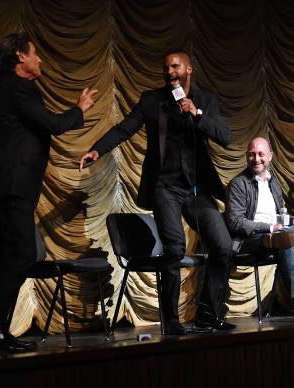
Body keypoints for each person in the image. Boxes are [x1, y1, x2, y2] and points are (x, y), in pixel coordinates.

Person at [79, 49, 234, 335]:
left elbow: (224, 136)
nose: (169, 72)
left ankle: (208, 315)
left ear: (189, 70)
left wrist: (196, 113)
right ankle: (171, 320)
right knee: (174, 248)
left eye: (175, 67)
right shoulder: (152, 100)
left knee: (223, 248)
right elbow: (125, 128)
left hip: (197, 189)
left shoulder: (206, 100)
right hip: (166, 188)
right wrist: (97, 150)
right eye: (166, 68)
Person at [0, 33, 97, 352]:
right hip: (12, 187)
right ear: (18, 56)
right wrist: (80, 109)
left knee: (5, 259)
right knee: (22, 255)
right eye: (34, 54)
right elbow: (53, 124)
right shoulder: (18, 88)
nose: (39, 59)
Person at [225, 137, 294, 322]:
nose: (256, 158)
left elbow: (279, 215)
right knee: (286, 245)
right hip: (251, 239)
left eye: (261, 154)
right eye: (252, 154)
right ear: (247, 156)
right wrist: (270, 227)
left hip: (278, 233)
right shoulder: (239, 184)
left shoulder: (273, 183)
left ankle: (281, 237)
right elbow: (236, 222)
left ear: (269, 157)